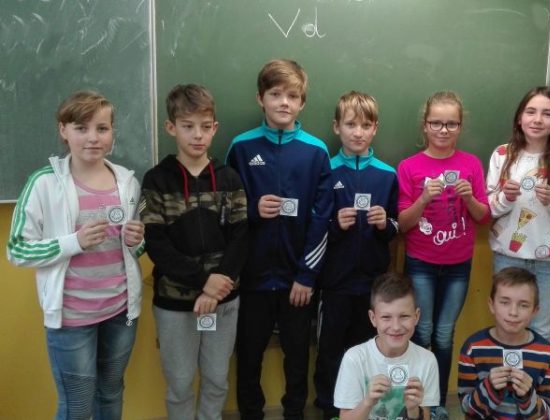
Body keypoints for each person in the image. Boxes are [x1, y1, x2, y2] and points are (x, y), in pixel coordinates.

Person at [7, 90, 144, 419]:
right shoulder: (44, 183)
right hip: (71, 319)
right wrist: (74, 242)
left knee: (111, 393)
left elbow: (134, 248)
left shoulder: (127, 182)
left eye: (102, 128)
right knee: (77, 406)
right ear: (63, 130)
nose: (93, 138)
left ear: (112, 132)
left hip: (121, 312)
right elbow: (17, 249)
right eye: (81, 128)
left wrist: (136, 241)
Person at [226, 59, 334, 420]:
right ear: (261, 98)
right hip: (252, 278)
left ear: (302, 102)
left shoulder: (316, 151)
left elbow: (322, 219)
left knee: (298, 356)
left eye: (292, 96)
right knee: (249, 355)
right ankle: (251, 415)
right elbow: (227, 210)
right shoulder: (241, 147)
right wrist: (253, 209)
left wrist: (306, 275)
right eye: (275, 94)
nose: (284, 102)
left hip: (296, 280)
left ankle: (294, 414)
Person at [140, 84, 248, 419]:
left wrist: (216, 288)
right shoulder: (157, 180)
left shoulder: (229, 179)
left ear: (215, 128)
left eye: (205, 126)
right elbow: (156, 243)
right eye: (188, 126)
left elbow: (241, 236)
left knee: (216, 379)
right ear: (171, 127)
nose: (197, 135)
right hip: (175, 304)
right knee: (180, 383)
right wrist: (203, 281)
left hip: (224, 300)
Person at [396, 91, 490, 419]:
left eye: (451, 124)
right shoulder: (409, 166)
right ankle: (416, 403)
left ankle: (435, 404)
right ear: (425, 125)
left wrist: (470, 198)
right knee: (421, 332)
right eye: (436, 123)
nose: (443, 130)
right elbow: (402, 224)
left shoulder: (471, 164)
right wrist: (423, 199)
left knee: (444, 334)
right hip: (420, 263)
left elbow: (483, 217)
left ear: (460, 127)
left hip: (457, 266)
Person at [314, 91, 399, 420]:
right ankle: (328, 409)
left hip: (372, 286)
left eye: (366, 125)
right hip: (334, 283)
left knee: (368, 352)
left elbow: (396, 225)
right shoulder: (326, 170)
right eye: (351, 125)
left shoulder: (387, 174)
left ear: (375, 128)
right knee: (330, 352)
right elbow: (314, 227)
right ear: (337, 127)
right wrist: (335, 225)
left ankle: (364, 411)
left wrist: (384, 224)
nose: (358, 132)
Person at [485, 85, 550, 344]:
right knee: (507, 327)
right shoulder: (503, 154)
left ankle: (537, 373)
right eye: (531, 112)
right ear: (520, 118)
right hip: (508, 256)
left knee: (543, 331)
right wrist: (506, 198)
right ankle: (506, 372)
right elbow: (488, 209)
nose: (538, 119)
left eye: (547, 113)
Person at [334, 272, 439, 420]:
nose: (396, 327)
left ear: (416, 316)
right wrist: (367, 402)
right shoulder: (355, 358)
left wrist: (413, 410)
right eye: (386, 317)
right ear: (373, 318)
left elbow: (425, 416)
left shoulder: (427, 360)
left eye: (404, 316)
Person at [457, 267, 550, 419]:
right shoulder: (473, 348)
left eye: (523, 305)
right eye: (504, 302)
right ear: (491, 305)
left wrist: (528, 397)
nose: (513, 312)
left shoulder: (546, 353)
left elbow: (548, 415)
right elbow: (466, 409)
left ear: (535, 311)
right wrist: (489, 389)